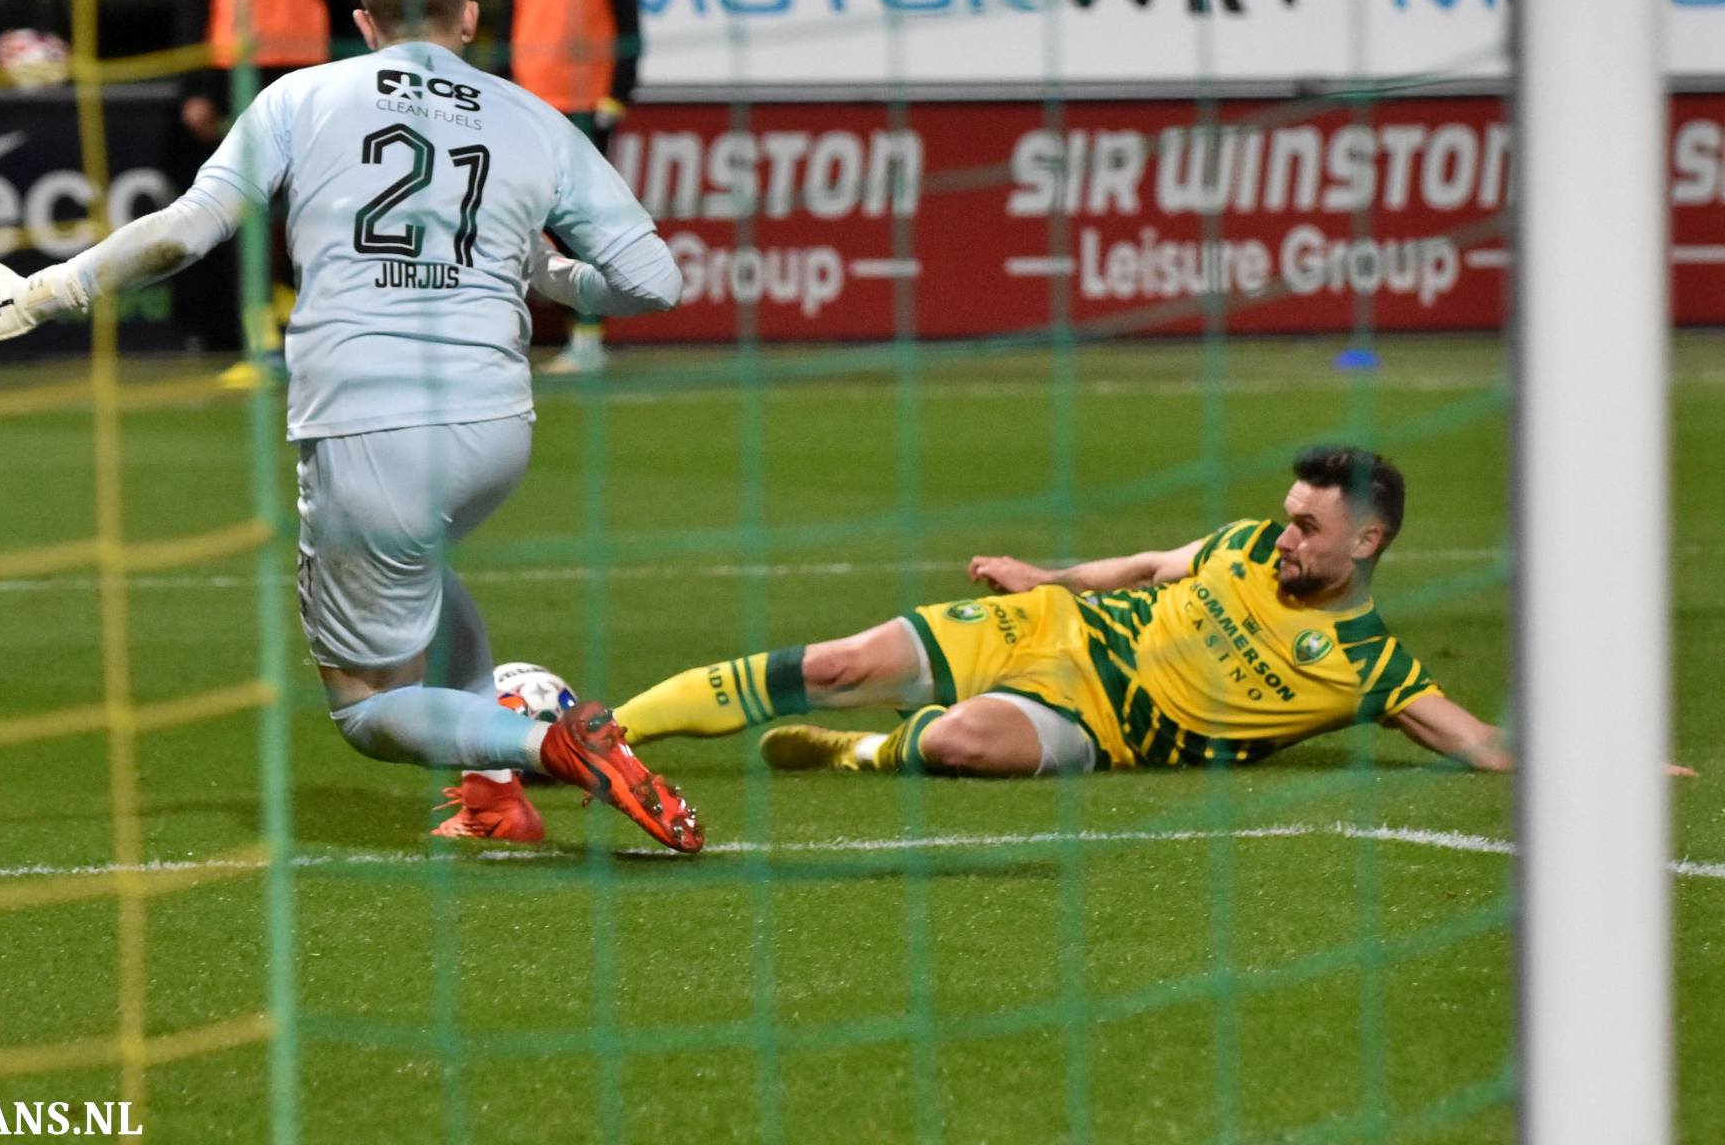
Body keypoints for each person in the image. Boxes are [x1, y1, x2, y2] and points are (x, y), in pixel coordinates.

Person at [0, 0, 704, 853]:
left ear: (361, 20)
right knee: (420, 568)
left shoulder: (304, 97)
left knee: (367, 710)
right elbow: (656, 282)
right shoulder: (532, 116)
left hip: (369, 422)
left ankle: (551, 748)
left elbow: (183, 232)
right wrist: (547, 273)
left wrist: (39, 295)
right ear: (472, 16)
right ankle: (495, 797)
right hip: (496, 428)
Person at [596, 446, 1692, 780]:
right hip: (1050, 634)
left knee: (963, 742)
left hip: (1103, 729)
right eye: (1287, 515)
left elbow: (1480, 742)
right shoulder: (1244, 544)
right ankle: (601, 737)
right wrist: (1045, 578)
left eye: (1309, 525)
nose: (1287, 534)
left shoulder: (1370, 664)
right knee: (833, 658)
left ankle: (870, 754)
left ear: (1367, 543)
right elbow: (1145, 561)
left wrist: (1619, 775)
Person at [170, 0, 353, 358]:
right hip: (239, 74)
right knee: (242, 205)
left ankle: (314, 321)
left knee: (310, 205)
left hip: (307, 72)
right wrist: (196, 88)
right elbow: (195, 0)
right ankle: (254, 329)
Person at [499, 0, 643, 376]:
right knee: (532, 223)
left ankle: (589, 337)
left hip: (586, 105)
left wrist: (616, 97)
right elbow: (512, 19)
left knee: (585, 223)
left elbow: (628, 21)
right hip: (532, 106)